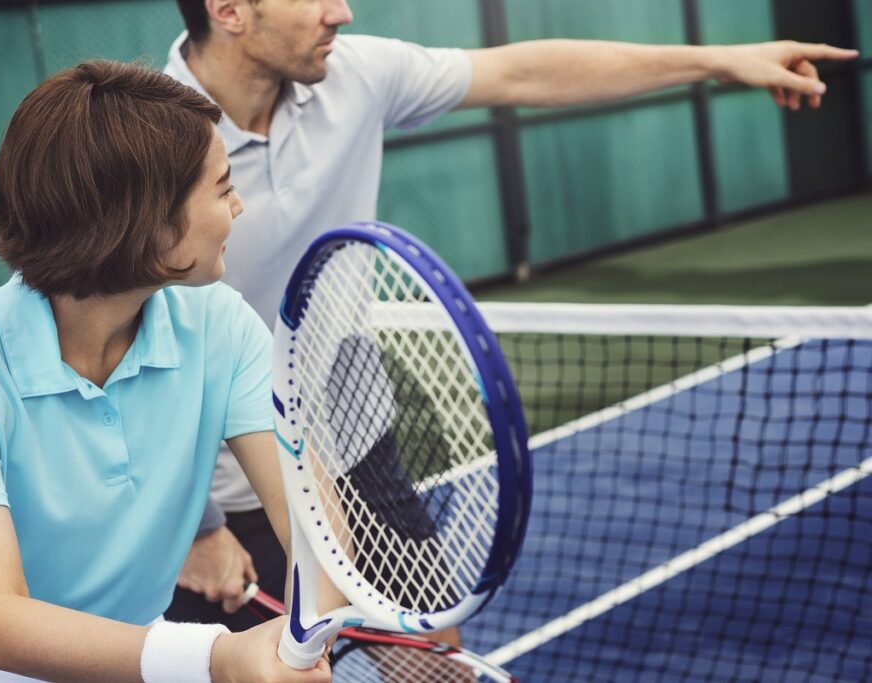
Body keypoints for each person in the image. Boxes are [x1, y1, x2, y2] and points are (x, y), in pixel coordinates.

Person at [163, 0, 862, 630]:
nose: (340, 12)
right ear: (229, 10)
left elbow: (526, 72)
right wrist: (197, 525)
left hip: (358, 455)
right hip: (224, 491)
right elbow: (115, 335)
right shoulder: (149, 146)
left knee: (436, 659)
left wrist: (716, 60)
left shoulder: (356, 73)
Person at [0, 60, 331, 683]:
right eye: (221, 188)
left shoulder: (221, 322)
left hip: (124, 655)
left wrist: (304, 628)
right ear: (146, 225)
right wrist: (218, 659)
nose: (238, 206)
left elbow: (314, 525)